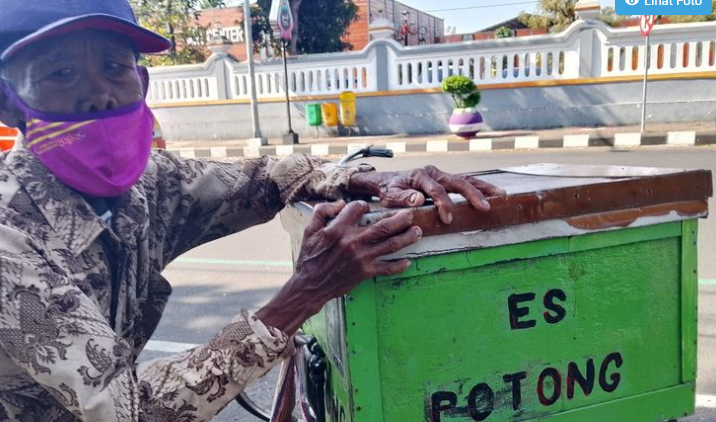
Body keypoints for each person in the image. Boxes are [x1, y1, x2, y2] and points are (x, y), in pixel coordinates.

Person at [0, 0, 503, 420]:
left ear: (143, 83)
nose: (99, 96)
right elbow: (125, 411)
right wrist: (303, 294)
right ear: (9, 105)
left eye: (114, 68)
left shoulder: (147, 183)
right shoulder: (10, 232)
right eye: (60, 74)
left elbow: (261, 180)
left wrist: (367, 179)